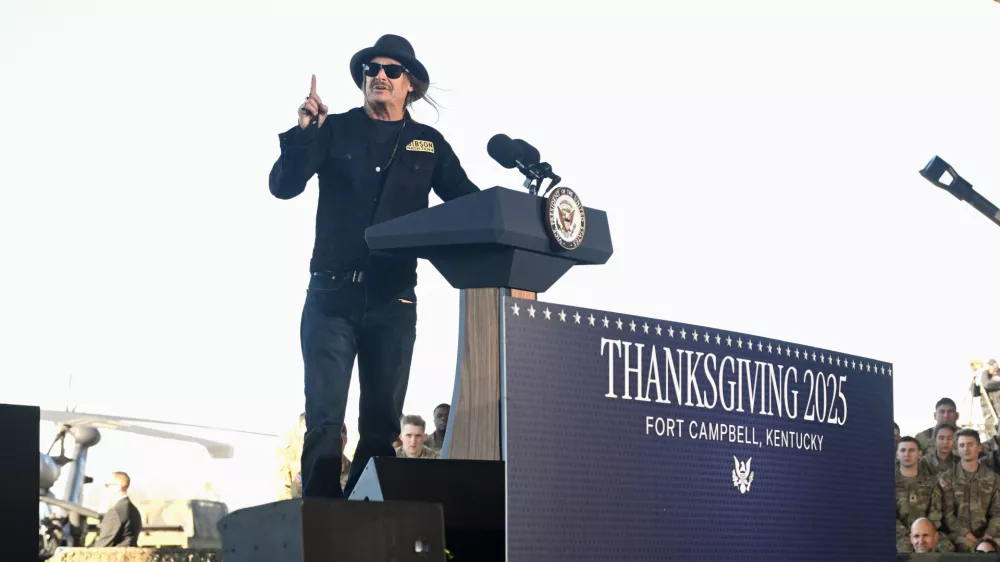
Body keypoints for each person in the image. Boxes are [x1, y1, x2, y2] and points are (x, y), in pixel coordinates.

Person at [268, 34, 479, 499]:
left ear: (411, 86)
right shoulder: (332, 129)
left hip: (393, 300)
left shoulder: (429, 144)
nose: (379, 75)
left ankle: (366, 525)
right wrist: (305, 134)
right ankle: (320, 521)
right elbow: (282, 186)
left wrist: (517, 212)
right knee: (324, 421)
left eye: (392, 70)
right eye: (371, 69)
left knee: (381, 427)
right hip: (331, 298)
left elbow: (467, 202)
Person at [942, 429, 1000, 551]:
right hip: (959, 534)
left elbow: (997, 512)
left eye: (970, 444)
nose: (966, 449)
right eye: (962, 445)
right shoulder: (948, 478)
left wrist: (988, 536)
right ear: (957, 449)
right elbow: (948, 515)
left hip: (989, 533)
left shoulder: (993, 478)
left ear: (979, 447)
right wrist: (972, 538)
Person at [896, 437, 952, 552]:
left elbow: (935, 513)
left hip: (926, 532)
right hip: (897, 534)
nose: (907, 454)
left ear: (919, 454)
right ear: (897, 454)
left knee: (947, 549)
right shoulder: (886, 482)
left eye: (911, 450)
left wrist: (923, 534)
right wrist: (908, 535)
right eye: (903, 450)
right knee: (904, 549)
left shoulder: (931, 483)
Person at [91, 472, 142, 548]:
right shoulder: (134, 510)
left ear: (118, 487)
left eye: (107, 485)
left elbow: (103, 545)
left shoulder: (116, 512)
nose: (105, 489)